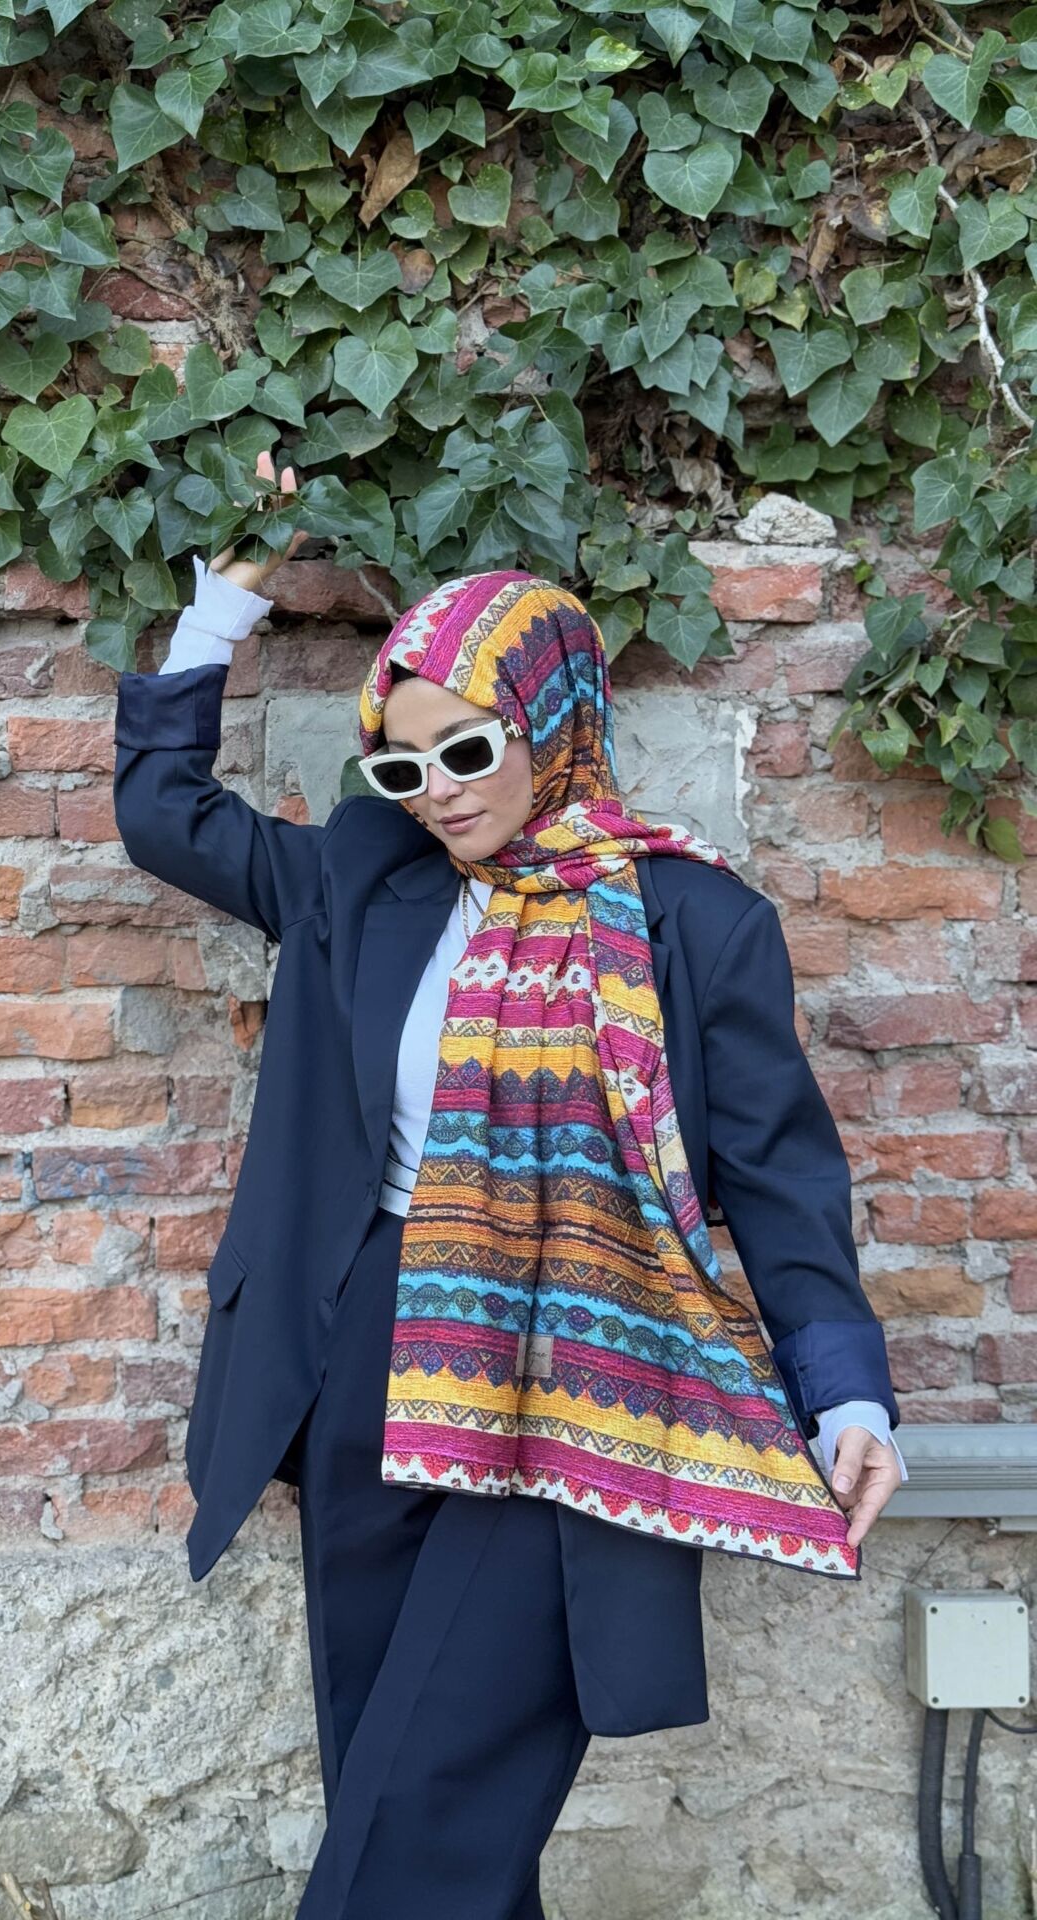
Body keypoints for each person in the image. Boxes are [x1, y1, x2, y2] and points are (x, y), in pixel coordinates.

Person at [113, 451, 906, 1919]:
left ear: (553, 719)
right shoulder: (364, 878)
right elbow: (166, 815)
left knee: (431, 1805)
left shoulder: (694, 923)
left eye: (468, 750)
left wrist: (847, 1392)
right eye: (403, 766)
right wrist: (219, 610)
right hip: (369, 1354)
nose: (437, 793)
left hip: (580, 1367)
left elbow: (782, 1178)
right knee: (390, 1772)